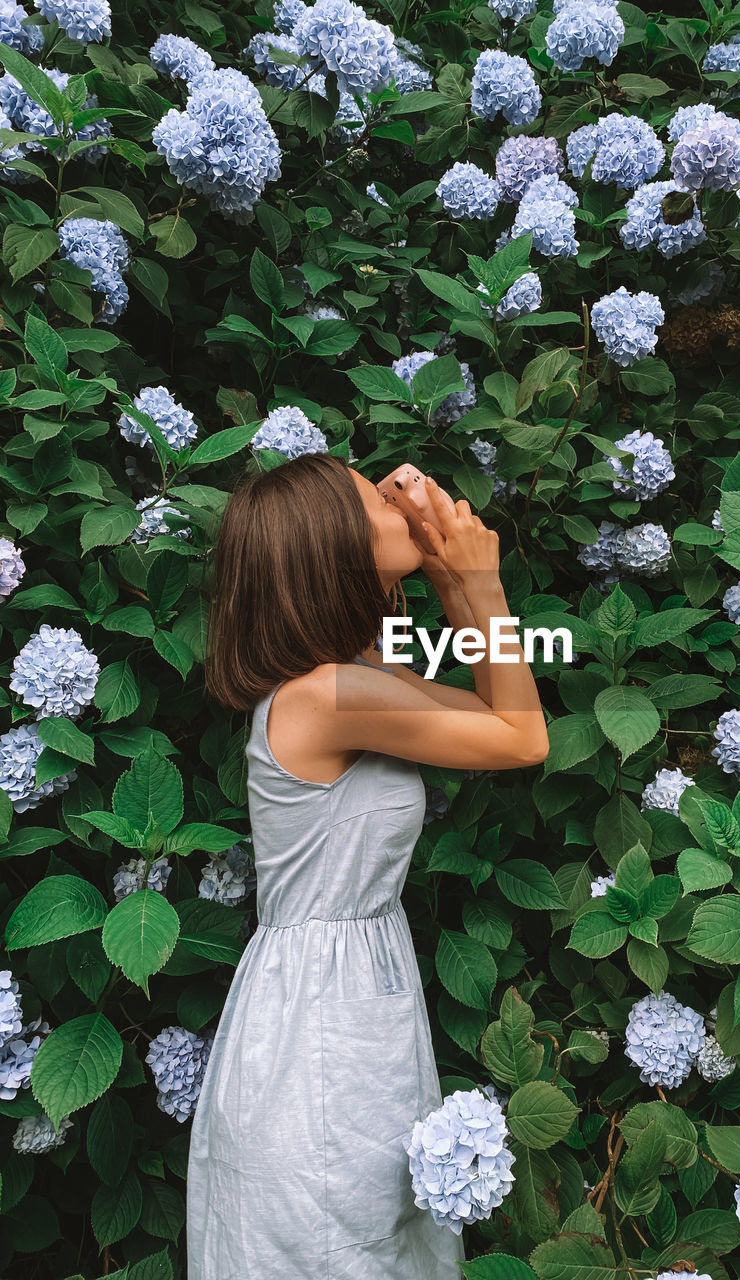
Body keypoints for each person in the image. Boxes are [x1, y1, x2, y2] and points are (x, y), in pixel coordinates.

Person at [187, 452, 549, 1279]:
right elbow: (524, 737)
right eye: (372, 500)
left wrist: (453, 577)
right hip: (318, 1021)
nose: (398, 494)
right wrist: (479, 582)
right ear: (330, 548)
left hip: (346, 1001)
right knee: (335, 1242)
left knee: (372, 1237)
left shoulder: (352, 683)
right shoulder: (326, 697)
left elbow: (499, 712)